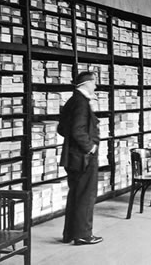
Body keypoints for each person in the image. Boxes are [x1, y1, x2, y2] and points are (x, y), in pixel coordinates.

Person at [58, 71, 103, 245]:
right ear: (86, 83)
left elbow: (62, 128)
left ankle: (70, 234)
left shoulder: (72, 101)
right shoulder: (82, 103)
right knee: (86, 196)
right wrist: (90, 147)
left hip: (73, 157)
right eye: (94, 82)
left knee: (75, 195)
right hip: (84, 157)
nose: (96, 86)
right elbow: (78, 130)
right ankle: (84, 234)